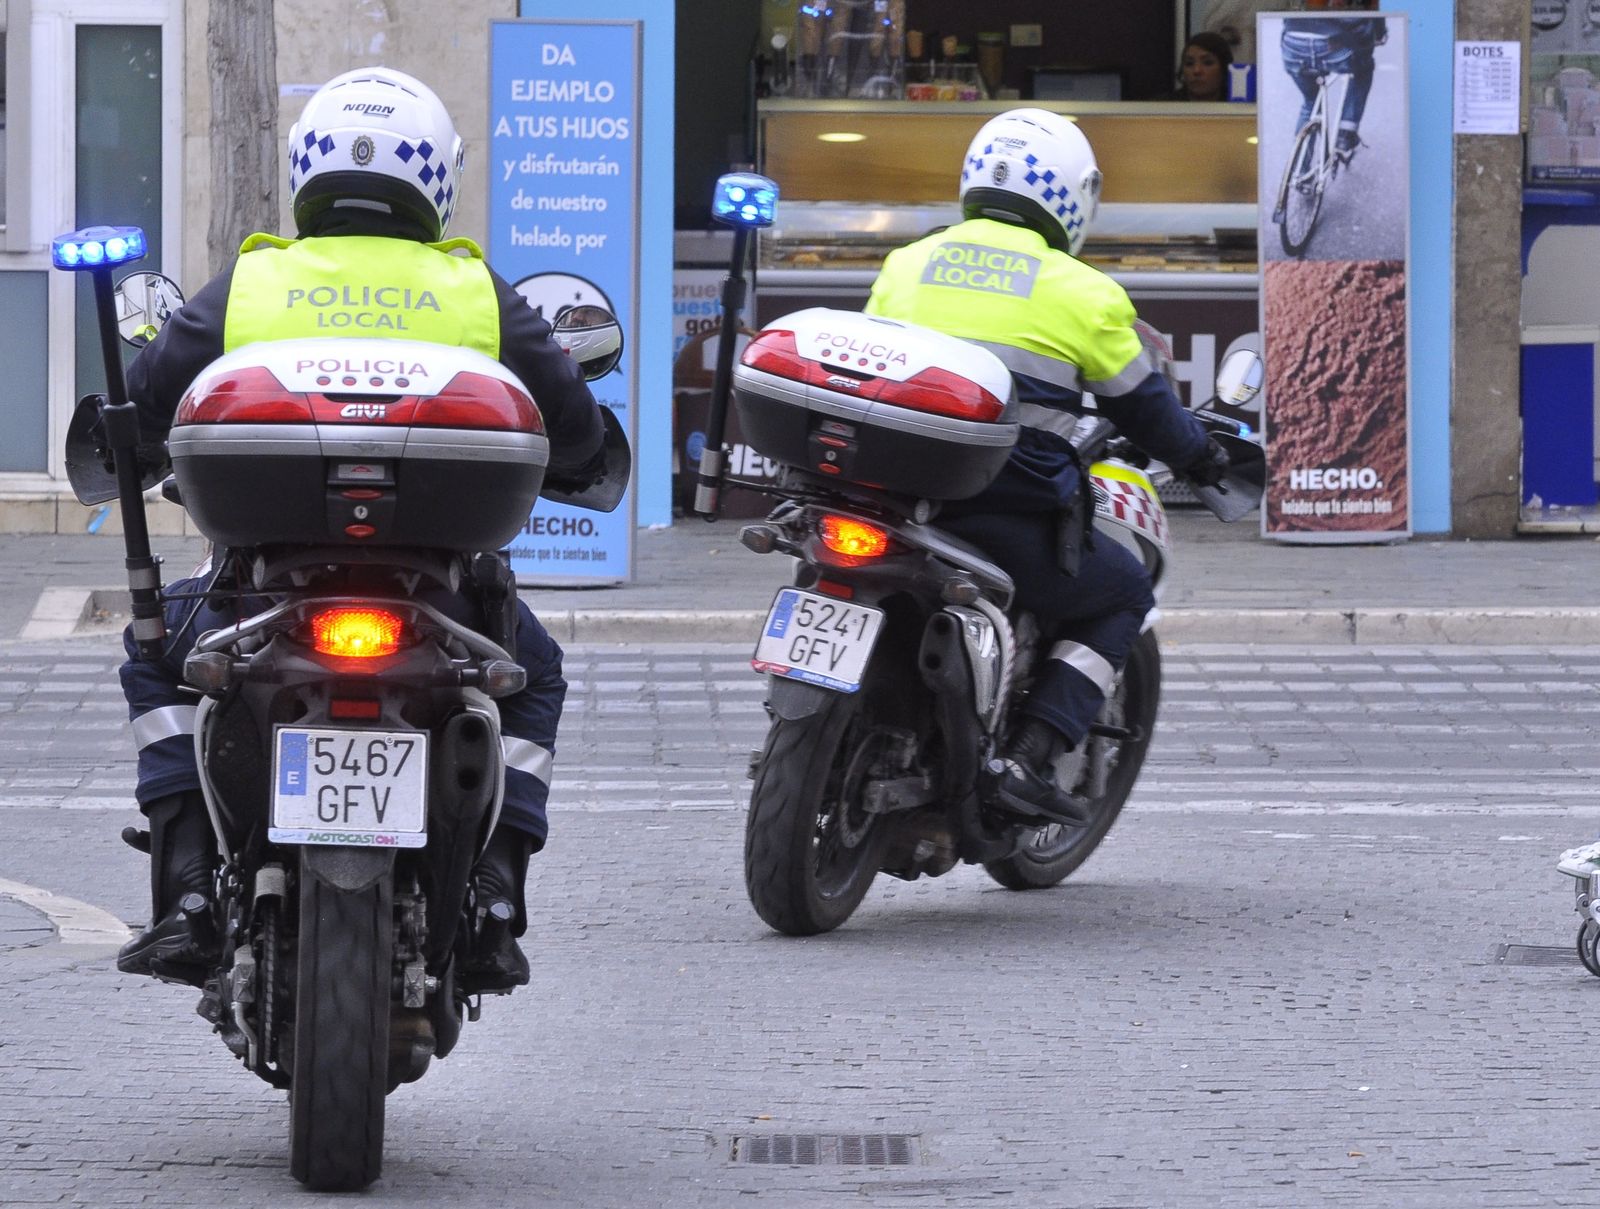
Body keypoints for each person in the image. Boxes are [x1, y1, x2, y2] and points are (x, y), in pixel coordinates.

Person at [115, 67, 608, 993]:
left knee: (153, 657)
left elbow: (149, 408)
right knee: (531, 678)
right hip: (447, 600)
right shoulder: (472, 290)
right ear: (433, 180)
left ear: (307, 168)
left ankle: (185, 889)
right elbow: (574, 428)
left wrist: (135, 440)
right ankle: (497, 894)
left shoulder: (255, 280)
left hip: (257, 597)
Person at [865, 108, 1229, 824]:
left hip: (891, 499)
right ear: (1073, 194)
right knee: (1120, 593)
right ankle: (1027, 757)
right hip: (995, 512)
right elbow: (1147, 409)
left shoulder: (907, 263)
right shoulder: (1080, 291)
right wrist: (1205, 457)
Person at [1281, 16, 1387, 159]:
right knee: (1363, 69)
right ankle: (1345, 134)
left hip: (1293, 42)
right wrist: (1379, 34)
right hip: (1334, 43)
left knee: (1311, 103)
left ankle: (1299, 174)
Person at [1172, 32, 1233, 102]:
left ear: (1224, 68)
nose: (1196, 70)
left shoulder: (1240, 107)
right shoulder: (1162, 106)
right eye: (1189, 63)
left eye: (1207, 63)